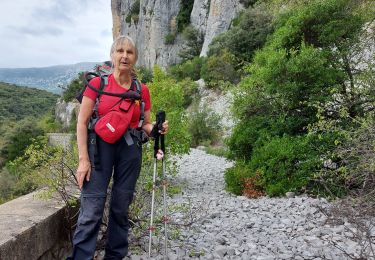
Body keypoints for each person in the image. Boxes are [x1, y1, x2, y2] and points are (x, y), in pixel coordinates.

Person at [68, 35, 168, 260]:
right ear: (112, 55)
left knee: (121, 208)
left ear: (135, 58)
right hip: (98, 150)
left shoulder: (142, 90)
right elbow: (82, 122)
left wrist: (157, 129)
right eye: (120, 51)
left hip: (130, 150)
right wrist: (83, 160)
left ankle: (114, 256)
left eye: (130, 52)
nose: (124, 56)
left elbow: (145, 124)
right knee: (92, 208)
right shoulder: (97, 85)